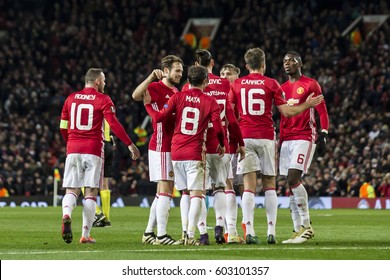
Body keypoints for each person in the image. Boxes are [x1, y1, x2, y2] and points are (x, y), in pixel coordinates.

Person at [230, 48, 323, 245]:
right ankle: (271, 231)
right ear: (263, 64)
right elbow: (287, 112)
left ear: (246, 66)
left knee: (248, 187)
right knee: (270, 184)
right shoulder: (271, 83)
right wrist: (307, 105)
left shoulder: (237, 84)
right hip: (266, 137)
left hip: (245, 137)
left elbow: (230, 111)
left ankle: (249, 231)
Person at [144, 65, 225, 245]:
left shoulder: (177, 96)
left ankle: (183, 232)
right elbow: (218, 127)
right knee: (197, 194)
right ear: (206, 81)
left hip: (176, 152)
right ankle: (189, 235)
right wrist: (222, 143)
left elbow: (158, 118)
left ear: (188, 81)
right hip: (195, 152)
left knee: (184, 194)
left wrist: (149, 106)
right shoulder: (210, 101)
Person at [60, 68, 140, 244]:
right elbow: (113, 124)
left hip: (73, 148)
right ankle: (85, 235)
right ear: (97, 81)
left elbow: (63, 127)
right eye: (104, 80)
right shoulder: (103, 99)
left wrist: (71, 142)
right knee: (90, 192)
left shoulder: (70, 98)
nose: (105, 83)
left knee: (72, 190)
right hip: (93, 150)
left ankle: (66, 214)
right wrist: (130, 144)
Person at [182, 50, 245, 244]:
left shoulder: (188, 88)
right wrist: (239, 142)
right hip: (221, 145)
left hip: (197, 146)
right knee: (221, 187)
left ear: (195, 65)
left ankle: (201, 233)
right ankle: (220, 227)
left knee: (196, 192)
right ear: (213, 63)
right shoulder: (226, 84)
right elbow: (232, 118)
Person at [132, 55, 184, 245]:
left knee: (162, 191)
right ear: (166, 70)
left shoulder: (176, 90)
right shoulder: (155, 87)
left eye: (181, 70)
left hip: (172, 146)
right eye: (177, 70)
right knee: (165, 190)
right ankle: (161, 236)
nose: (180, 74)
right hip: (162, 146)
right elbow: (136, 95)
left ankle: (148, 233)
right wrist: (150, 77)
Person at [279, 51, 329, 244]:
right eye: (284, 61)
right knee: (290, 185)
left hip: (304, 136)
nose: (287, 64)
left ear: (299, 63)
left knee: (293, 178)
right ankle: (296, 229)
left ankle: (307, 226)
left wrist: (324, 133)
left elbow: (322, 111)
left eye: (291, 60)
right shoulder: (281, 88)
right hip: (286, 139)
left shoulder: (310, 84)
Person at [220, 63, 245, 243]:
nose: (225, 76)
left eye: (229, 73)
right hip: (226, 146)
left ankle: (246, 226)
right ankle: (230, 230)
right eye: (222, 73)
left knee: (244, 188)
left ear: (237, 75)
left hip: (241, 144)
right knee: (227, 186)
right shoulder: (219, 94)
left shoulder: (242, 92)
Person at [92, 121, 115, 227]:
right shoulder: (108, 108)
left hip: (98, 145)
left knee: (83, 181)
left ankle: (97, 212)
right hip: (109, 144)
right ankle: (107, 219)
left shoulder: (95, 108)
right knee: (104, 185)